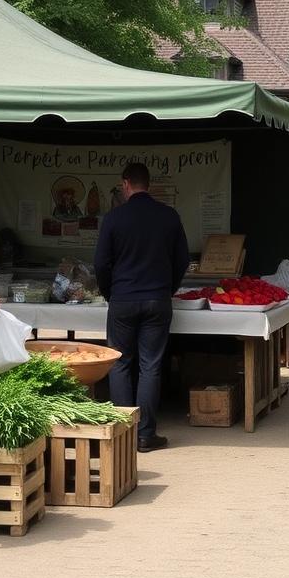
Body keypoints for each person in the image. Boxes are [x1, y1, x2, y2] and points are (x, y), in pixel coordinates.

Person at [95, 162, 189, 453]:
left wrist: (111, 292)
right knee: (151, 366)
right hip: (157, 300)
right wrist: (167, 289)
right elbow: (182, 260)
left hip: (122, 299)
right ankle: (146, 435)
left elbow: (101, 264)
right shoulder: (169, 216)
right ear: (149, 185)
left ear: (125, 184)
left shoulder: (113, 218)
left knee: (120, 364)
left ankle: (123, 435)